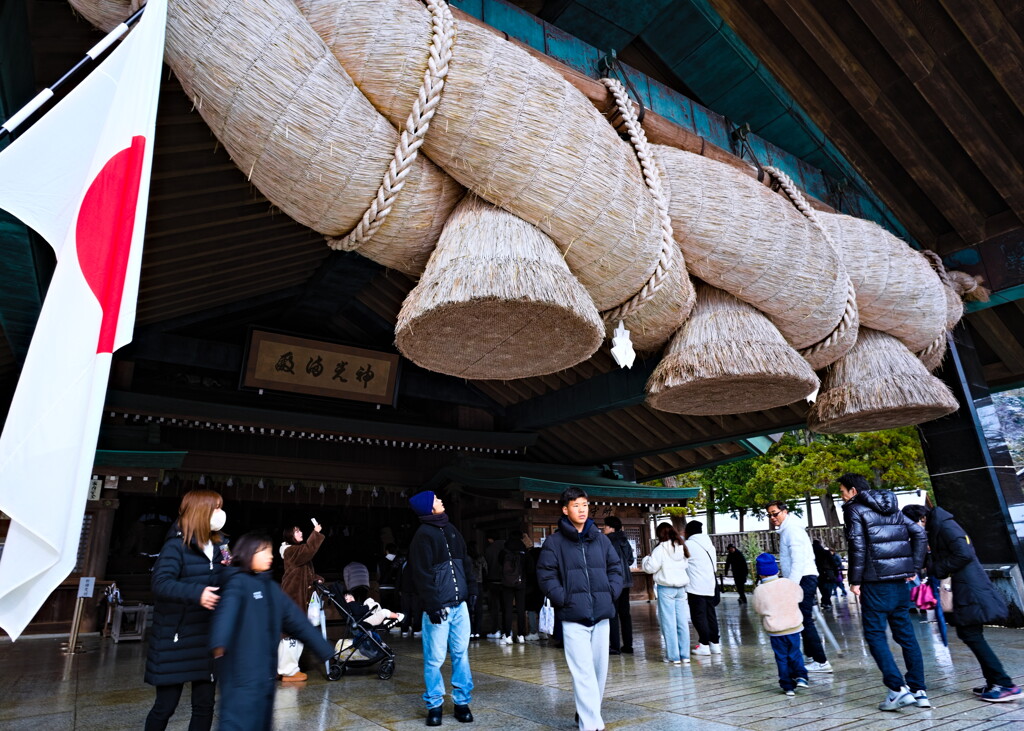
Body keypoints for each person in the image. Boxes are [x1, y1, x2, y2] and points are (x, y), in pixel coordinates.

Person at [210, 533, 334, 731]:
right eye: (263, 551)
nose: (270, 556)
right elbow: (226, 613)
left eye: (269, 551)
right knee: (236, 722)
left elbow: (296, 620)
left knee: (261, 722)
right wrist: (219, 642)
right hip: (239, 674)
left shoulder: (271, 588)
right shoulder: (236, 582)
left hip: (264, 675)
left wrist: (323, 647)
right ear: (248, 554)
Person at [902, 504, 1022, 703]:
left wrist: (936, 568)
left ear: (920, 519)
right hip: (963, 588)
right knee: (971, 634)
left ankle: (1005, 684)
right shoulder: (937, 527)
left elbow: (964, 553)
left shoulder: (945, 526)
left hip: (968, 588)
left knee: (971, 634)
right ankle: (994, 682)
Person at [839, 473, 928, 711]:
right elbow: (920, 533)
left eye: (843, 491)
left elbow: (857, 545)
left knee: (875, 635)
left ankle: (897, 689)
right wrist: (913, 568)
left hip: (875, 582)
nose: (842, 496)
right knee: (906, 635)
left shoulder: (854, 509)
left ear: (853, 491)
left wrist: (855, 580)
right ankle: (919, 690)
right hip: (899, 582)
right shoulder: (894, 507)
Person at [537, 487, 623, 731]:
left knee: (599, 671)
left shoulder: (601, 539)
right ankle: (591, 723)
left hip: (602, 614)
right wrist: (564, 598)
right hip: (573, 615)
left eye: (584, 505)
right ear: (565, 510)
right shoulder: (554, 542)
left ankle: (587, 712)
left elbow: (615, 568)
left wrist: (611, 592)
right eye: (576, 505)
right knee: (582, 671)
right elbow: (546, 575)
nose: (582, 510)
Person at [144, 489, 228, 731]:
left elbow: (229, 578)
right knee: (165, 706)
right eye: (216, 508)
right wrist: (197, 593)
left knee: (205, 705)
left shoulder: (222, 544)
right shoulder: (175, 546)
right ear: (201, 511)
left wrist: (233, 572)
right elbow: (160, 583)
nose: (221, 513)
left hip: (208, 638)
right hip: (176, 640)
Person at [406, 490, 477, 726]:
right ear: (428, 507)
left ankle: (462, 703)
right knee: (434, 659)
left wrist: (472, 590)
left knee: (461, 655)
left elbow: (466, 562)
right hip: (439, 607)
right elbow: (422, 574)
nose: (441, 501)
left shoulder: (452, 529)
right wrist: (432, 604)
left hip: (460, 606)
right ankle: (434, 705)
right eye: (436, 499)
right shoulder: (422, 536)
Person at [766, 501, 831, 673]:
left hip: (803, 578)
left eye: (775, 513)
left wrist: (791, 585)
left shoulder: (792, 530)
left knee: (804, 620)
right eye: (769, 515)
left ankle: (821, 661)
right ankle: (811, 656)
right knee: (802, 619)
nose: (772, 518)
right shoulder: (789, 529)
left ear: (785, 512)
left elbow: (798, 560)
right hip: (803, 578)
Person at [752, 553, 807, 696]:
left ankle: (788, 686)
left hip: (775, 631)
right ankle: (801, 677)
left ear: (760, 574)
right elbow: (800, 597)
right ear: (776, 570)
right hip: (793, 626)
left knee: (781, 657)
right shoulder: (789, 583)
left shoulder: (759, 590)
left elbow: (758, 609)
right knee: (795, 653)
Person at [278, 519, 325, 682]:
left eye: (300, 530)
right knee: (292, 634)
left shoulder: (295, 552)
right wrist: (316, 533)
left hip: (297, 598)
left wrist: (317, 579)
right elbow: (308, 550)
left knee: (293, 633)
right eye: (296, 531)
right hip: (292, 598)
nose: (300, 533)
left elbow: (305, 573)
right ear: (289, 535)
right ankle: (288, 671)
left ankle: (283, 669)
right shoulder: (290, 551)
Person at [641, 522, 690, 664]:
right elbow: (685, 564)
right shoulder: (681, 547)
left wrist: (646, 559)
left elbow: (650, 568)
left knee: (668, 622)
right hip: (681, 588)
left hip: (666, 588)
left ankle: (674, 656)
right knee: (682, 622)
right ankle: (685, 655)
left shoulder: (660, 549)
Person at [683, 521, 720, 656]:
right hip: (710, 584)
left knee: (699, 615)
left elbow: (683, 563)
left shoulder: (688, 545)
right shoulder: (709, 545)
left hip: (695, 586)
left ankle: (704, 645)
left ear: (688, 532)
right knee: (710, 615)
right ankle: (715, 644)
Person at [602, 516, 635, 654]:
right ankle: (628, 645)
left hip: (612, 581)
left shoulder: (606, 541)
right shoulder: (624, 541)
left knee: (613, 613)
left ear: (611, 528)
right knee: (625, 614)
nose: (603, 528)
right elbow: (630, 560)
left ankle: (615, 646)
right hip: (626, 581)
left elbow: (604, 562)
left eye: (605, 526)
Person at [498, 529, 529, 644]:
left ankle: (507, 635)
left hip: (507, 583)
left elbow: (500, 564)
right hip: (521, 582)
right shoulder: (524, 551)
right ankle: (521, 635)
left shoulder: (504, 550)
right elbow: (529, 567)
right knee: (521, 609)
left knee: (507, 609)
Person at [483, 531, 505, 638]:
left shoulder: (489, 550)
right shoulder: (506, 546)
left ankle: (496, 630)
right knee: (506, 607)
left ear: (490, 539)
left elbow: (485, 567)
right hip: (506, 581)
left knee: (494, 607)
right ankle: (507, 630)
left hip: (492, 581)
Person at [466, 542, 487, 640]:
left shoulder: (466, 559)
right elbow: (486, 570)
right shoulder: (481, 558)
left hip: (468, 584)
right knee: (479, 609)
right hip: (479, 583)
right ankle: (478, 631)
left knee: (469, 608)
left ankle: (470, 631)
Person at [812, 539, 836, 610]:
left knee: (822, 589)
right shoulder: (826, 552)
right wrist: (835, 573)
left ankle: (825, 602)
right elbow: (833, 563)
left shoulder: (812, 553)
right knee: (828, 589)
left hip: (817, 573)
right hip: (828, 573)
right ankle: (826, 602)